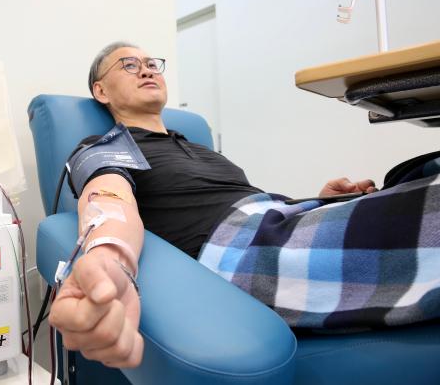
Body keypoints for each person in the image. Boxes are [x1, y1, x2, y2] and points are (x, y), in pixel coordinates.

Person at [48, 41, 439, 368]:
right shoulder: (107, 145)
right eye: (129, 65)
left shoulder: (197, 147)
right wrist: (107, 256)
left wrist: (317, 201)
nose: (147, 70)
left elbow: (243, 201)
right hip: (240, 247)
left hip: (277, 219)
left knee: (422, 172)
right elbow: (109, 198)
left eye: (152, 64)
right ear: (101, 91)